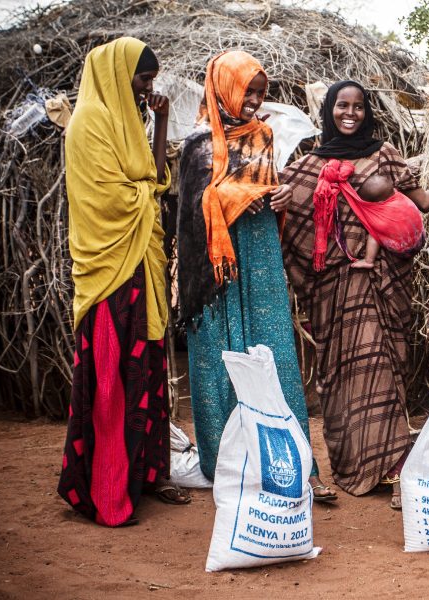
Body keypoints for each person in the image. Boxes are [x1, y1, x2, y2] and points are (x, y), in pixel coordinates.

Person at [277, 79, 429, 508]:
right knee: (345, 374)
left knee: (381, 366)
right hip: (335, 289)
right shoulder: (308, 166)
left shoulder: (385, 156)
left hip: (382, 283)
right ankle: (358, 461)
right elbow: (286, 213)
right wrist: (272, 202)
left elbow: (422, 202)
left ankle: (393, 464)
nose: (350, 113)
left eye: (357, 106)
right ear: (329, 111)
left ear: (367, 112)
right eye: (342, 106)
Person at [176, 51, 336, 502]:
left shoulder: (263, 136)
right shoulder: (197, 144)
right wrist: (243, 194)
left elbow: (267, 189)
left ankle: (300, 466)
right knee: (221, 356)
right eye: (248, 90)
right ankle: (228, 467)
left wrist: (280, 193)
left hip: (261, 254)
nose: (254, 100)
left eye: (261, 93)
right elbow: (191, 210)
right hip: (216, 267)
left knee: (274, 353)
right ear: (225, 87)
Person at [58, 38, 190, 528]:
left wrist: (157, 122)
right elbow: (113, 200)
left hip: (139, 266)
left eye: (152, 81)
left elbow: (155, 179)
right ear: (115, 75)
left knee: (147, 372)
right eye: (142, 80)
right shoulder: (89, 123)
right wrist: (146, 193)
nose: (148, 89)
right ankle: (108, 489)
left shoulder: (130, 118)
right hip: (110, 269)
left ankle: (144, 475)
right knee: (114, 376)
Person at [349, 173, 395, 269]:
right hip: (419, 235)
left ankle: (368, 261)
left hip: (403, 247)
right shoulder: (398, 195)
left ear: (379, 203)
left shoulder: (381, 215)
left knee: (373, 233)